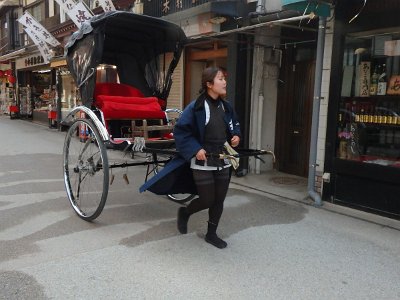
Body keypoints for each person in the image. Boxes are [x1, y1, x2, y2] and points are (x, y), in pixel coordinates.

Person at [173, 66, 241, 249]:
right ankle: (186, 212)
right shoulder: (196, 107)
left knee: (219, 199)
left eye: (224, 78)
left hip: (223, 156)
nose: (225, 82)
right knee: (207, 199)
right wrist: (195, 149)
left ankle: (211, 234)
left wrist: (236, 136)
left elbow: (234, 125)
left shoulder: (226, 107)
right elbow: (181, 131)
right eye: (220, 79)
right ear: (209, 84)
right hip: (203, 158)